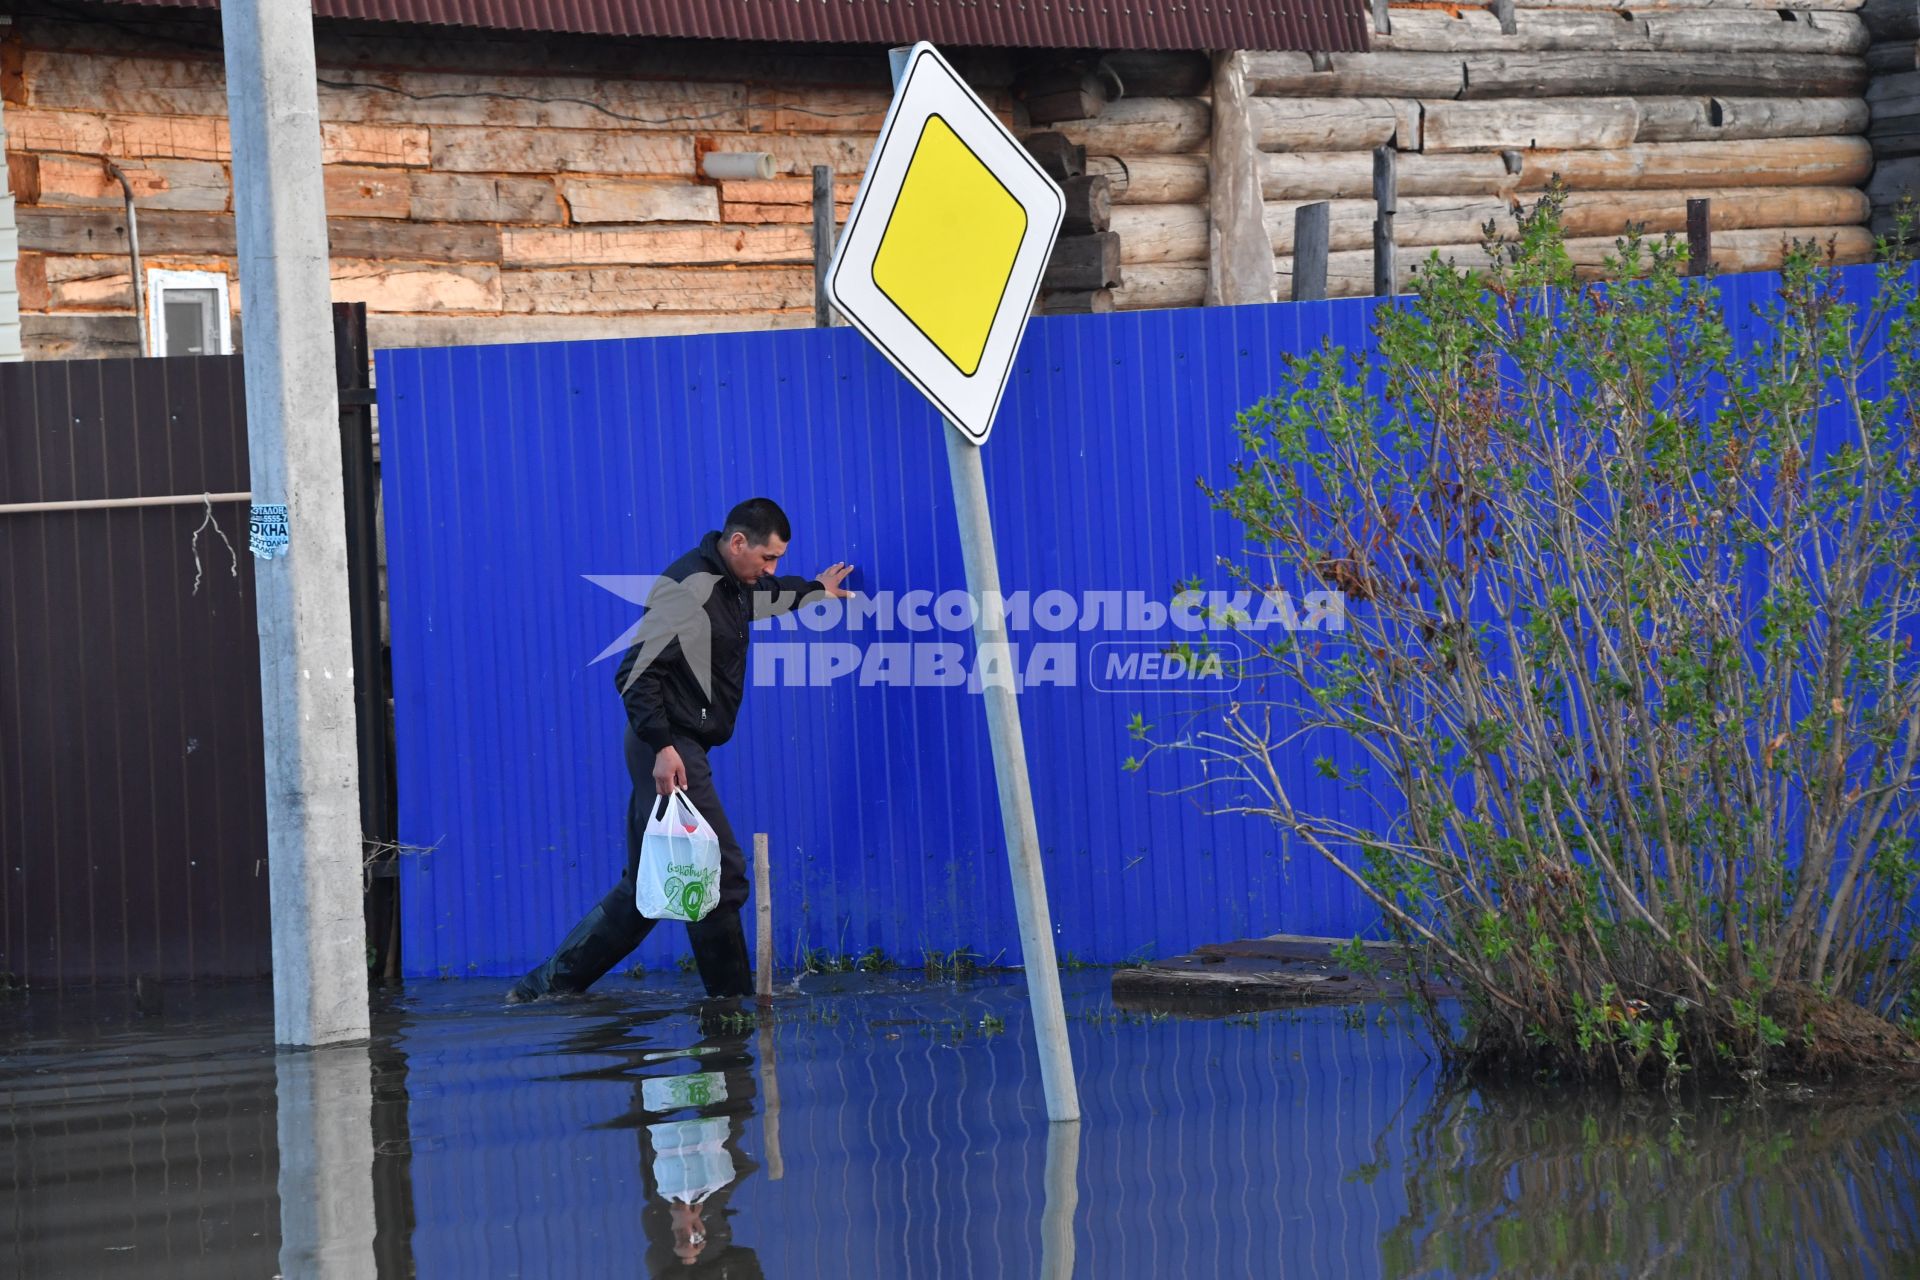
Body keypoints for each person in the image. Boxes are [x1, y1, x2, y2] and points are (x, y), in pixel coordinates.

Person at [508, 498, 852, 1002]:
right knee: (717, 870)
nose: (772, 568)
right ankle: (731, 1010)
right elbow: (633, 674)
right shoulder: (690, 589)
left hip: (671, 745)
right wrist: (664, 746)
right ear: (738, 543)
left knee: (645, 891)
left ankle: (542, 990)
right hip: (668, 747)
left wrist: (813, 589)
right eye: (768, 557)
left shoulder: (733, 583)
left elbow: (765, 595)